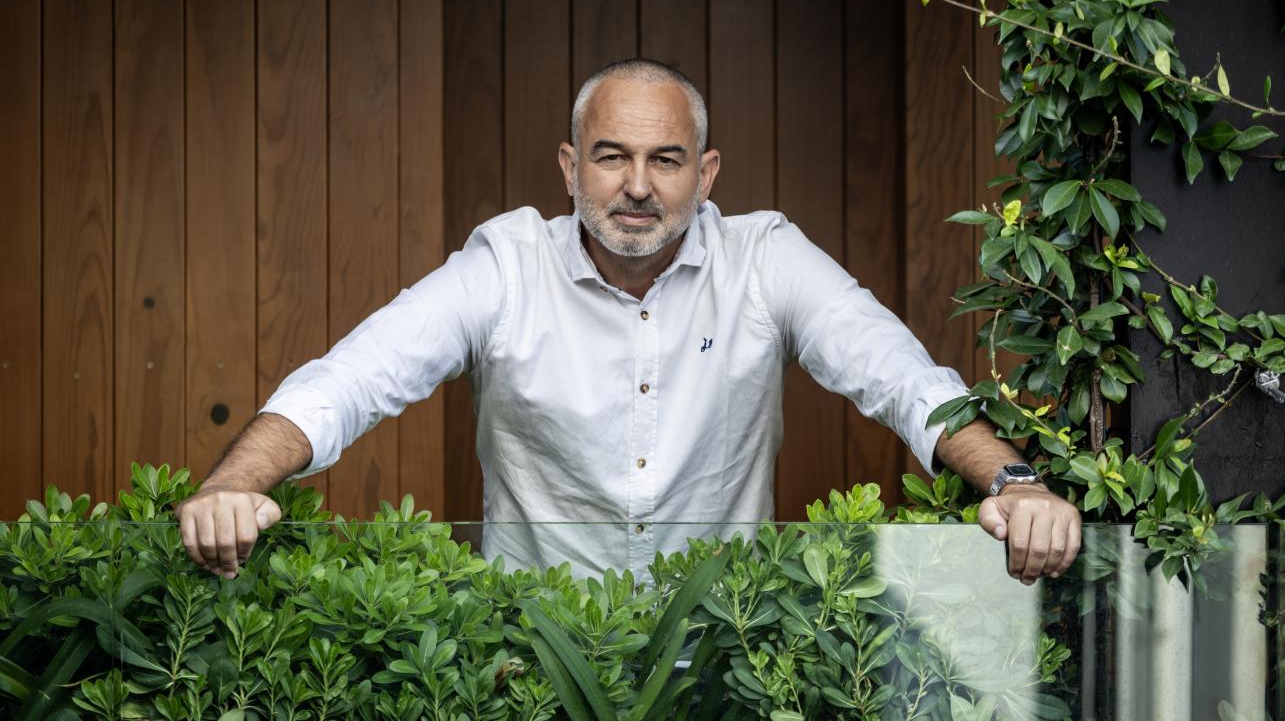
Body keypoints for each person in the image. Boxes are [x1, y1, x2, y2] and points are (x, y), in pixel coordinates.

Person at [176, 58, 1081, 586]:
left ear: (707, 173)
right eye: (611, 157)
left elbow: (900, 378)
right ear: (570, 168)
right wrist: (233, 481)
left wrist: (1015, 482)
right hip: (532, 665)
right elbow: (352, 380)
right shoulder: (507, 264)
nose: (638, 186)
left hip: (725, 659)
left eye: (665, 159)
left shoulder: (763, 258)